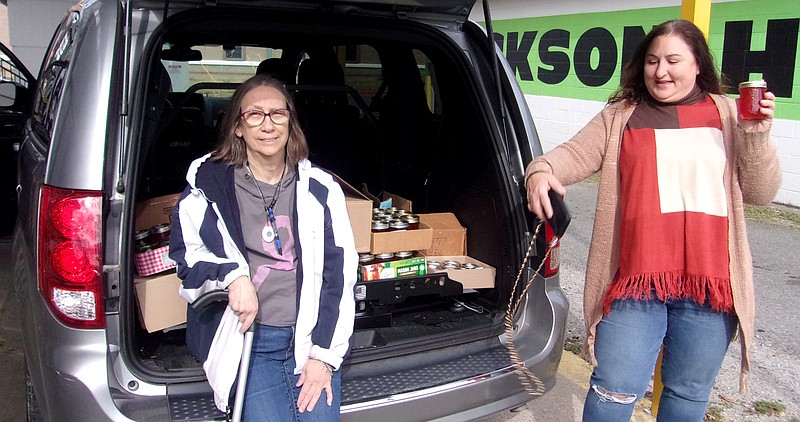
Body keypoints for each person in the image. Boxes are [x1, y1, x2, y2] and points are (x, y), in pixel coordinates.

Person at [524, 19, 781, 421]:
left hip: (709, 288)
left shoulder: (730, 116)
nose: (660, 71)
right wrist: (540, 171)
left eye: (673, 60)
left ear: (698, 65)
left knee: (687, 395)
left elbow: (762, 192)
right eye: (652, 60)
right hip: (634, 284)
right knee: (612, 391)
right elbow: (570, 156)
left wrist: (757, 134)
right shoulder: (622, 116)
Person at [169, 73, 357, 421]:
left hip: (311, 338)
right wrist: (233, 277)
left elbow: (340, 276)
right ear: (238, 126)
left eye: (278, 114)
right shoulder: (209, 183)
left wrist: (323, 356)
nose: (267, 125)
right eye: (254, 115)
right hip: (251, 343)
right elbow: (186, 257)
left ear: (290, 121)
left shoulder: (320, 189)